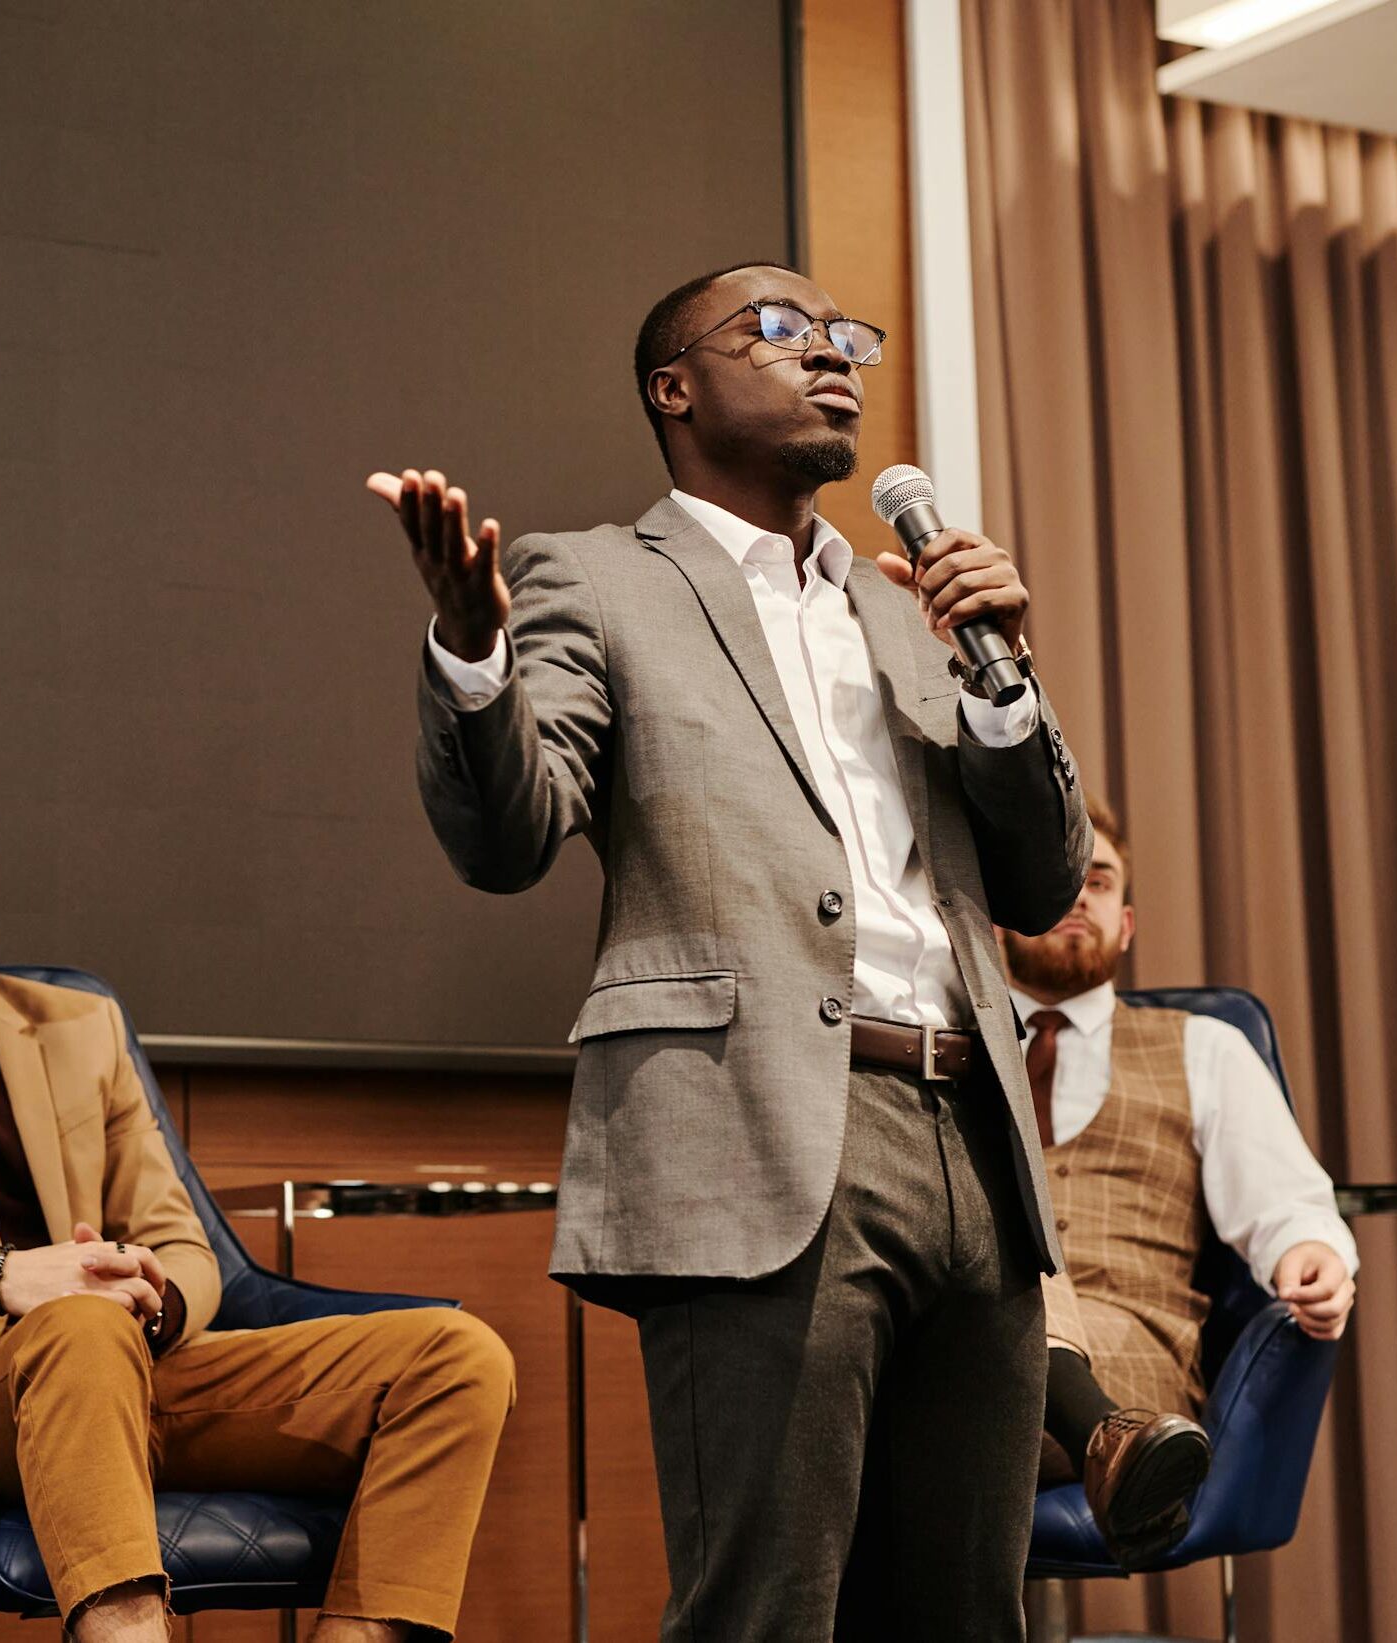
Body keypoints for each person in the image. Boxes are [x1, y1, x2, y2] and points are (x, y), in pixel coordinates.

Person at [368, 260, 1091, 1642]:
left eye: (845, 338)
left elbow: (1044, 880)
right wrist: (473, 653)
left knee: (965, 1611)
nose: (832, 356)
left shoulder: (909, 603)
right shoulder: (589, 575)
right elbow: (511, 834)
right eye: (780, 330)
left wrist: (1006, 684)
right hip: (760, 1134)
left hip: (977, 1136)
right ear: (673, 386)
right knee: (768, 1607)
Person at [0, 740, 515, 1643]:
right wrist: (3, 1275)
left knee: (458, 1359)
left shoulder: (79, 1024)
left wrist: (151, 1296)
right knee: (75, 1324)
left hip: (143, 1362)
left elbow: (183, 1239)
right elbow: (41, 1301)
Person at [1005, 798, 1358, 1568]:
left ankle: (1108, 1430)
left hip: (1137, 1358)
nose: (1075, 897)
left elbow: (1289, 1205)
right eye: (1056, 880)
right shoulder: (944, 1048)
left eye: (1096, 881)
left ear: (1124, 924)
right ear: (1001, 913)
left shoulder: (1206, 1047)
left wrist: (1313, 1253)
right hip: (968, 1343)